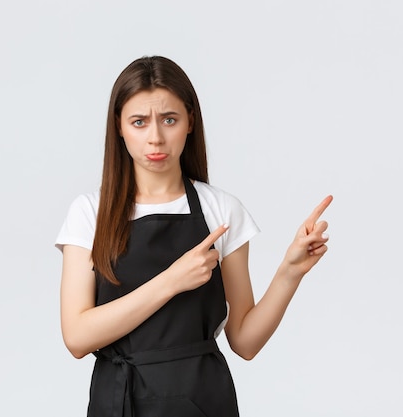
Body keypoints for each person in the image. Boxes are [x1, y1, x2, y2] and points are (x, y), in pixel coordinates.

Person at [55, 55, 332, 417]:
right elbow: (77, 337)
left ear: (189, 123)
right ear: (119, 127)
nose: (155, 137)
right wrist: (172, 280)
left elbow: (245, 342)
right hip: (118, 401)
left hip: (202, 401)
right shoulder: (89, 213)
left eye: (169, 120)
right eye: (139, 122)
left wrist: (289, 272)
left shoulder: (222, 209)